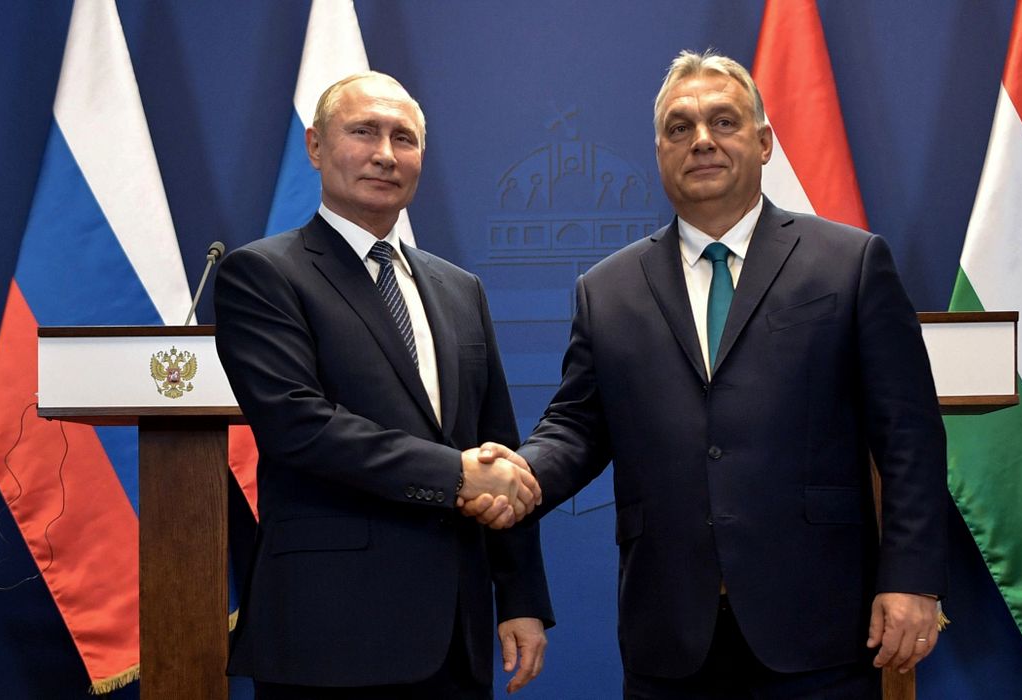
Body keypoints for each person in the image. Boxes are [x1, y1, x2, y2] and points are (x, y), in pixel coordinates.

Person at [475, 50, 949, 698]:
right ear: (659, 152)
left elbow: (908, 437)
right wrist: (520, 475)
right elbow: (577, 428)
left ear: (763, 142)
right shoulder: (607, 290)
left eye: (723, 122)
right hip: (670, 636)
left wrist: (912, 578)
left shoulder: (850, 263)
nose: (701, 140)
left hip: (819, 627)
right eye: (679, 127)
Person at [214, 71, 552, 699]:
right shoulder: (262, 274)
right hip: (331, 630)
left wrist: (521, 597)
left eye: (404, 138)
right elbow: (299, 426)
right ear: (316, 146)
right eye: (364, 132)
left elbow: (497, 447)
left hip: (455, 635)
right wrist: (455, 474)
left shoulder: (460, 289)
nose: (385, 154)